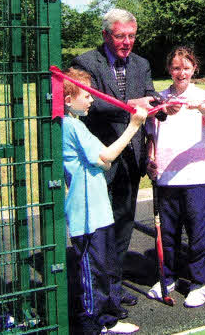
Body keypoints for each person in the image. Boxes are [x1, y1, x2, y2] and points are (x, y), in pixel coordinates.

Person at [71, 8, 158, 312]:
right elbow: (89, 105)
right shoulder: (85, 62)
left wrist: (160, 105)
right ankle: (97, 294)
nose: (127, 42)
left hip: (131, 157)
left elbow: (147, 97)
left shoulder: (142, 64)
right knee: (98, 230)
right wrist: (129, 105)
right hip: (100, 159)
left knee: (122, 227)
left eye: (132, 36)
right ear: (106, 35)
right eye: (120, 36)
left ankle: (114, 288)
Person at [61, 68, 147, 334]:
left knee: (105, 266)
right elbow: (106, 157)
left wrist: (103, 160)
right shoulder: (70, 125)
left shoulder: (78, 124)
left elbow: (101, 160)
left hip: (99, 211)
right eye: (86, 96)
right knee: (91, 272)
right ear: (67, 100)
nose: (91, 101)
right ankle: (91, 324)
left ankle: (107, 319)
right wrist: (134, 126)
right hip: (85, 214)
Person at [144, 46, 205, 308]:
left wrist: (201, 108)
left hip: (195, 177)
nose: (181, 73)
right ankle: (168, 279)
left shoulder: (203, 96)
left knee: (198, 233)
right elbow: (151, 134)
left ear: (194, 69)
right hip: (166, 178)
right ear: (169, 70)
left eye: (186, 67)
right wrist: (150, 159)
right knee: (167, 234)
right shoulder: (159, 98)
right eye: (176, 68)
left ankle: (199, 284)